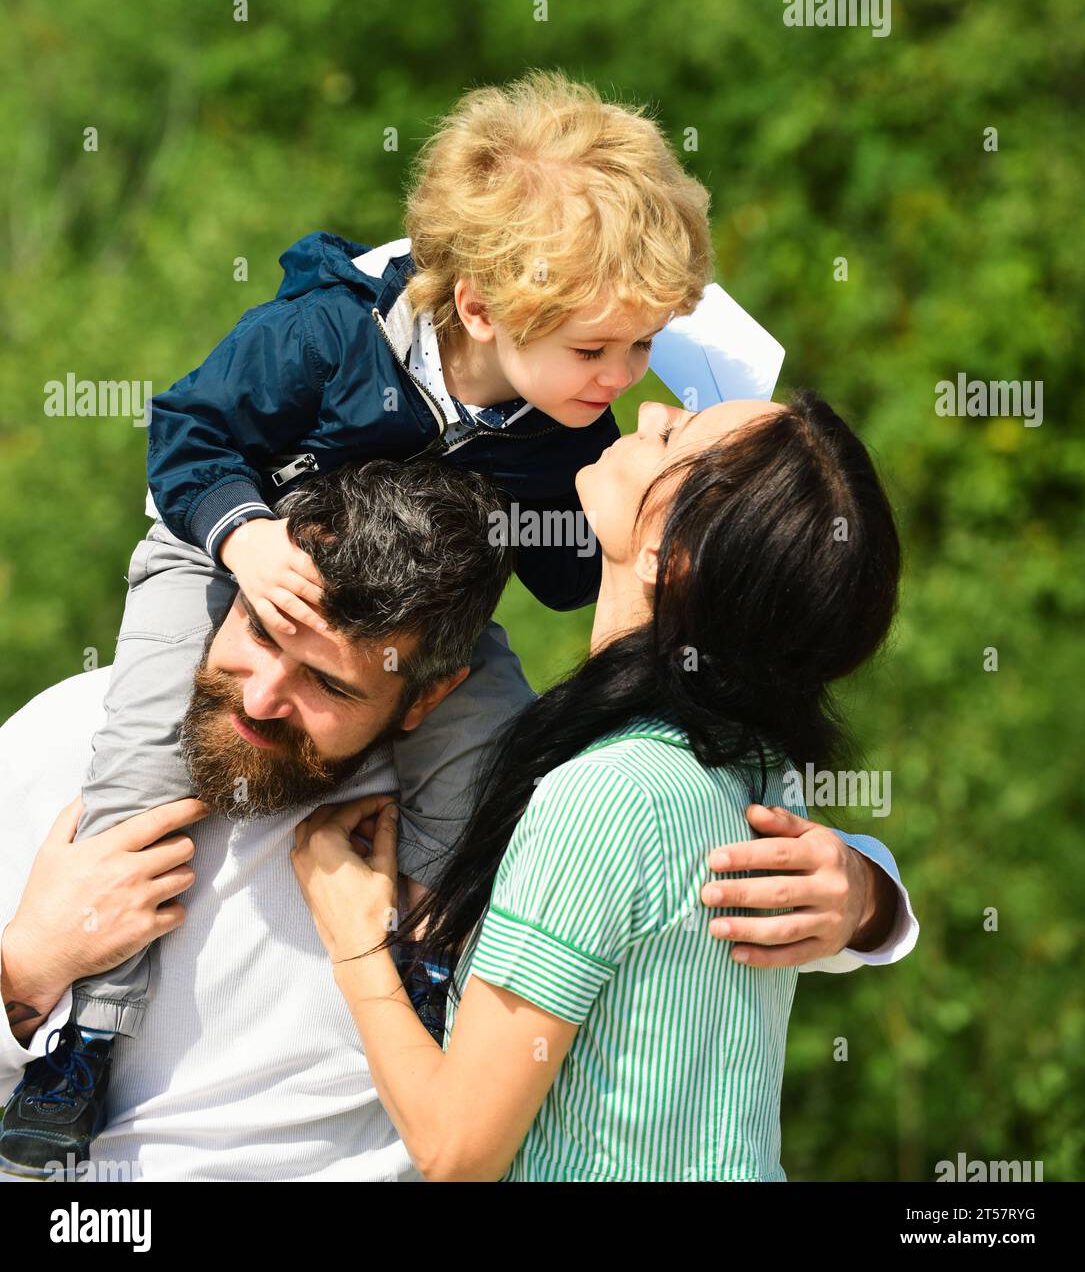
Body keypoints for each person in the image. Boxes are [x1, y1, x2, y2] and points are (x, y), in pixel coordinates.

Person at [1, 69, 718, 1168]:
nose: (619, 375)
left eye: (641, 347)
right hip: (224, 549)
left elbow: (581, 594)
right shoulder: (328, 332)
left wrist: (648, 500)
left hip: (418, 620)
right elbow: (185, 430)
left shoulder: (569, 413)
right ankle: (85, 1038)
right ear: (481, 307)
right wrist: (245, 539)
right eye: (596, 350)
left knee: (497, 762)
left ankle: (434, 981)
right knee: (137, 766)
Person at [0, 455, 913, 1183]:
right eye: (260, 632)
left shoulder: (482, 793)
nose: (266, 697)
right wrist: (26, 967)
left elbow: (668, 862)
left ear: (424, 700)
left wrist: (862, 898)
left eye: (327, 683)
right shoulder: (75, 736)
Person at [292, 391, 913, 1181]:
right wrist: (870, 897)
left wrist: (354, 937)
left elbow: (456, 1148)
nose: (650, 412)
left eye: (675, 434)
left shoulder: (605, 798)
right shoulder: (755, 774)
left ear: (665, 552)